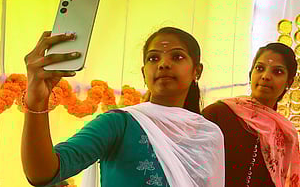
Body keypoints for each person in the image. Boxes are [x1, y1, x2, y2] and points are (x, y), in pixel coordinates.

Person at [21, 27, 225, 187]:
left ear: (196, 71)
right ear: (144, 72)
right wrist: (36, 102)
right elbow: (43, 172)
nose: (163, 64)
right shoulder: (120, 123)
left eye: (177, 57)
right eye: (153, 58)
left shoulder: (208, 135)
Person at [202, 43, 300, 187]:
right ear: (250, 75)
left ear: (289, 82)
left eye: (277, 72)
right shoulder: (217, 114)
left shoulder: (286, 134)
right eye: (260, 68)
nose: (266, 76)